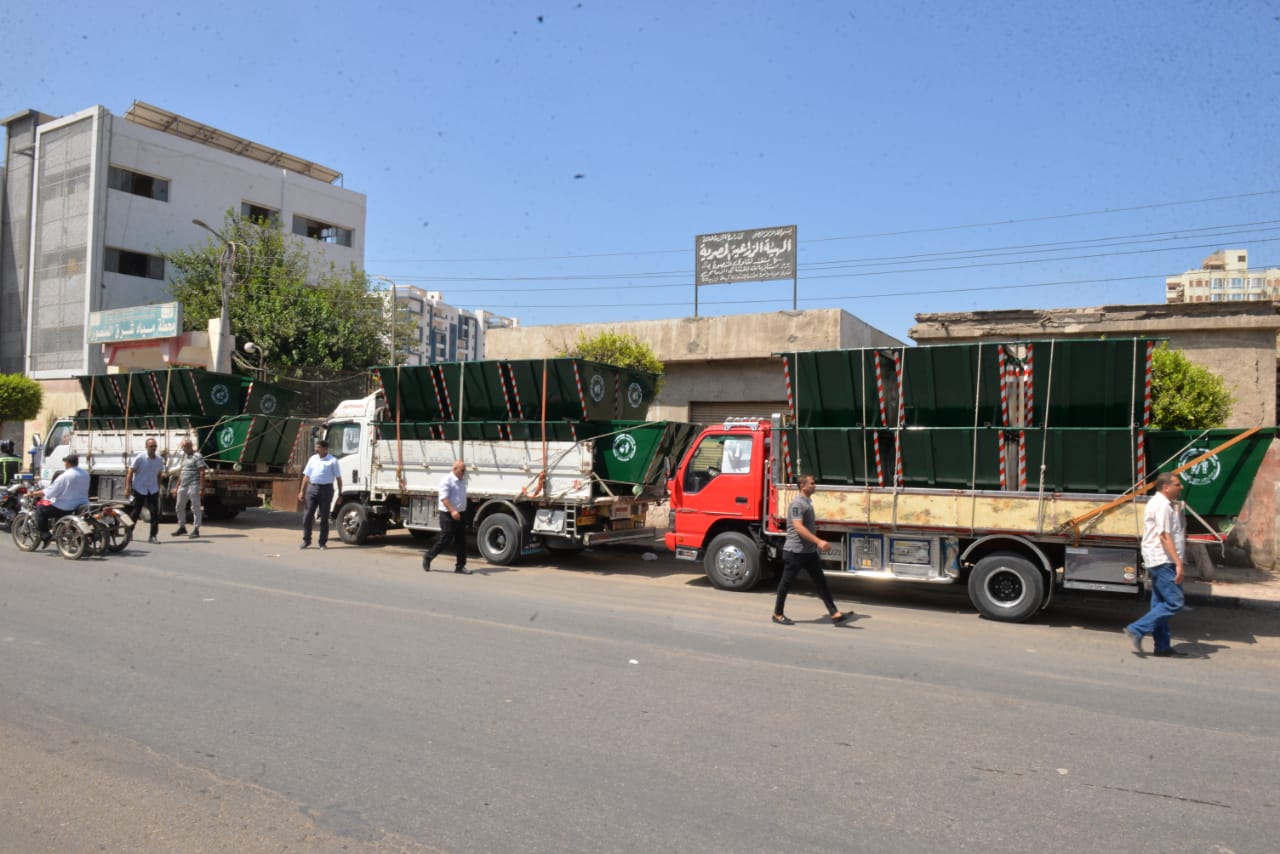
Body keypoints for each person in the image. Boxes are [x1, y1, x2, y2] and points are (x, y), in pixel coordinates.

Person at [773, 474, 853, 626]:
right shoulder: (797, 504)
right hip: (795, 552)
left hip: (809, 552)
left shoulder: (807, 502)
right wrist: (819, 541)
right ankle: (777, 614)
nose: (814, 485)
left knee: (821, 582)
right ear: (803, 486)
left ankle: (834, 613)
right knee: (786, 584)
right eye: (812, 483)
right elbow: (798, 527)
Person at [1125, 472, 1188, 657]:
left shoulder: (1164, 504)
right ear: (1166, 487)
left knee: (1159, 604)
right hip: (1163, 560)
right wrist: (1178, 563)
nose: (1181, 487)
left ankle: (1162, 647)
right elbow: (1164, 536)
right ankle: (1137, 629)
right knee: (1175, 602)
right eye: (1177, 484)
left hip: (1159, 559)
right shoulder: (1162, 506)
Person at [422, 459, 471, 574]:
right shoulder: (447, 480)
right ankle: (428, 556)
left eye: (465, 470)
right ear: (455, 469)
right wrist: (453, 511)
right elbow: (444, 498)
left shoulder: (462, 481)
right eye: (462, 470)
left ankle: (460, 566)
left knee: (461, 540)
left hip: (460, 514)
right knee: (446, 539)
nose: (464, 472)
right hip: (448, 514)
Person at [31, 453, 90, 545]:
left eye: (65, 462)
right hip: (82, 503)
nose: (64, 464)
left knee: (40, 509)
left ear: (68, 463)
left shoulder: (65, 476)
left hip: (65, 507)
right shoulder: (85, 474)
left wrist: (33, 493)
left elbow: (51, 492)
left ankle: (46, 536)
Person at [298, 438, 342, 550]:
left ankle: (322, 543)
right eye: (316, 447)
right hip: (312, 489)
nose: (316, 449)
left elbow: (338, 478)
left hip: (326, 490)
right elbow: (306, 476)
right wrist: (302, 491)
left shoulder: (332, 461)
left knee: (324, 517)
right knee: (307, 516)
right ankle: (306, 540)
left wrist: (340, 494)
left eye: (318, 447)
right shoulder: (312, 459)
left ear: (325, 449)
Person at [125, 437, 164, 544]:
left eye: (155, 446)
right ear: (146, 447)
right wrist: (128, 487)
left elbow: (159, 474)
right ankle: (128, 532)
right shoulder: (140, 458)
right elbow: (130, 472)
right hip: (140, 488)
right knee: (136, 511)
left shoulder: (159, 459)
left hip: (153, 489)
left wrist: (158, 487)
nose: (153, 448)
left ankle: (153, 536)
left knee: (154, 512)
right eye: (151, 446)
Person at [170, 437, 207, 539]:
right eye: (182, 446)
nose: (183, 448)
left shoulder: (197, 456)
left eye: (185, 446)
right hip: (183, 485)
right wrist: (176, 487)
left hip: (194, 485)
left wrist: (202, 488)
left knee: (195, 507)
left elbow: (202, 472)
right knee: (179, 506)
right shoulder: (185, 457)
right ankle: (182, 526)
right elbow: (182, 473)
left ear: (191, 446)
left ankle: (196, 529)